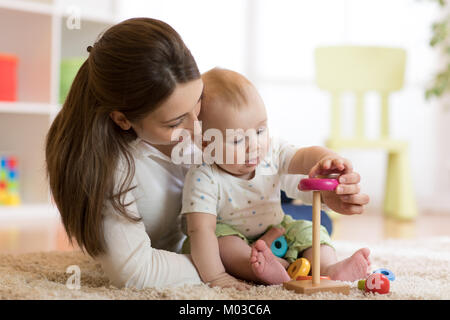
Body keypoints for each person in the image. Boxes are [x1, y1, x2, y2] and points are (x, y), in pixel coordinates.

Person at [45, 17, 370, 290]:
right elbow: (136, 272)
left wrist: (324, 181)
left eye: (197, 104)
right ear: (123, 119)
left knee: (315, 220)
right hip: (216, 232)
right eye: (175, 121)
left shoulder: (207, 127)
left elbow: (272, 159)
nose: (198, 127)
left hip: (243, 203)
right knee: (268, 237)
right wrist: (223, 266)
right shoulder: (111, 171)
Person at [180, 68, 371, 290]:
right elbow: (200, 230)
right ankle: (258, 268)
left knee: (310, 229)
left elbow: (302, 156)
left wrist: (328, 159)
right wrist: (216, 276)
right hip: (235, 237)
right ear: (206, 144)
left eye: (260, 131)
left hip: (277, 228)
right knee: (219, 242)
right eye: (238, 140)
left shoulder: (271, 152)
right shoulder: (204, 176)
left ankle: (328, 268)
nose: (255, 146)